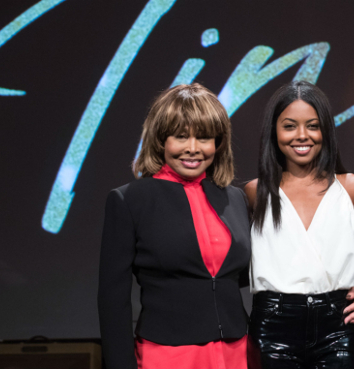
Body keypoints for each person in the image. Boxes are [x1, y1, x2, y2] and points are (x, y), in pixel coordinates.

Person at [97, 83, 251, 369]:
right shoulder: (129, 200)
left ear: (218, 143)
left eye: (204, 137)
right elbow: (112, 299)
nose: (193, 149)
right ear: (160, 141)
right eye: (181, 137)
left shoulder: (235, 198)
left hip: (237, 352)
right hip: (169, 355)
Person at [244, 81, 354, 369]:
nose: (302, 135)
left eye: (312, 125)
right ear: (274, 132)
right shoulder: (255, 191)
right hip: (272, 326)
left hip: (338, 324)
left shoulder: (350, 187)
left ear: (325, 130)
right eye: (289, 126)